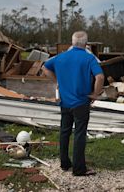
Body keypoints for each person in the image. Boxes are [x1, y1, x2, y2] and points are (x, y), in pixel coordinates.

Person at [42, 31, 104, 176]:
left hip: (65, 102)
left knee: (64, 132)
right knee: (79, 134)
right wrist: (95, 94)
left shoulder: (61, 57)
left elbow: (45, 67)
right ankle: (79, 169)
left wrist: (57, 80)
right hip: (81, 102)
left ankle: (64, 163)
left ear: (72, 42)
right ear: (86, 44)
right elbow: (100, 77)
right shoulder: (89, 58)